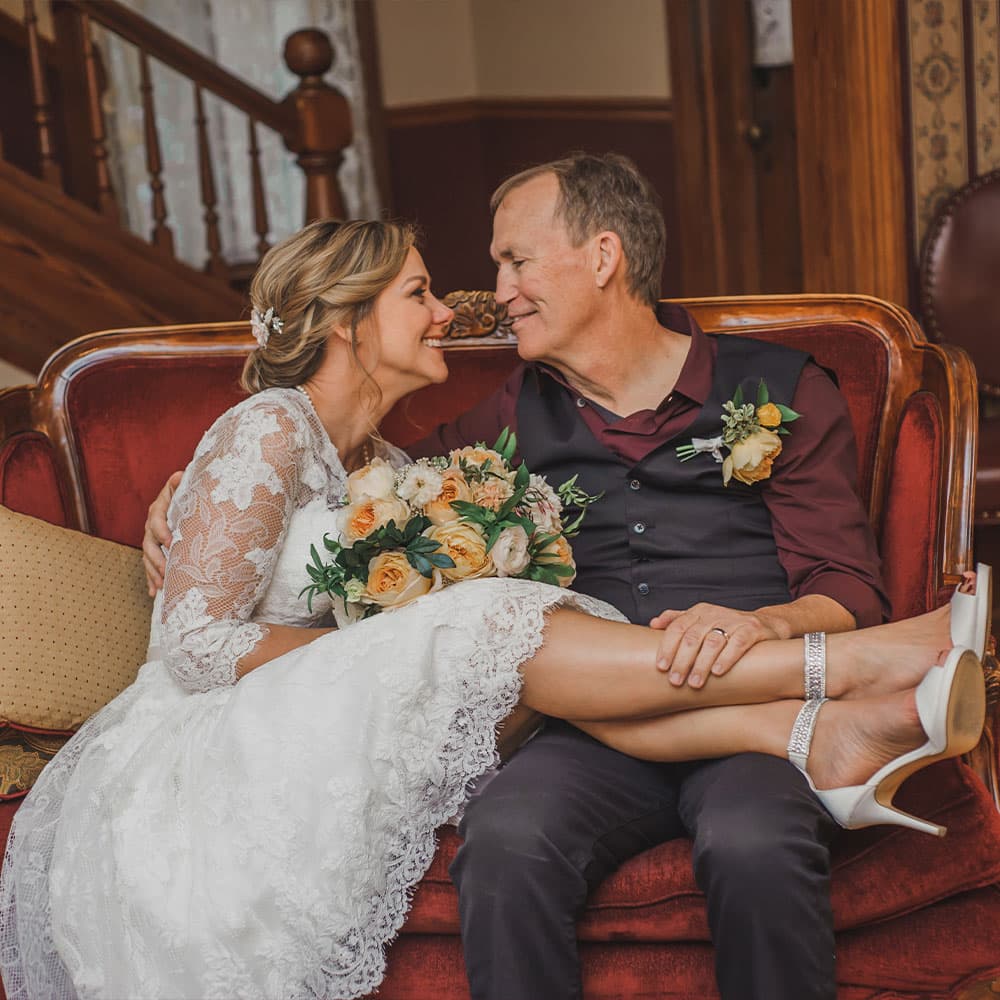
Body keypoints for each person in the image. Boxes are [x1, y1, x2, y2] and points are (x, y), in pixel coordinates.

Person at [132, 184, 984, 1000]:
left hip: (740, 687)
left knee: (754, 838)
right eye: (440, 287)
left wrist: (763, 621)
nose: (485, 299)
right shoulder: (495, 426)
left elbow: (842, 579)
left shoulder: (781, 387)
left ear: (603, 255)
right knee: (505, 841)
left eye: (514, 261)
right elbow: (312, 488)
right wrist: (193, 497)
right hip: (581, 725)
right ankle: (854, 675)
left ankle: (829, 695)